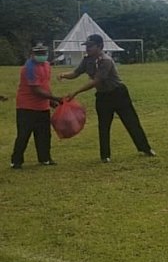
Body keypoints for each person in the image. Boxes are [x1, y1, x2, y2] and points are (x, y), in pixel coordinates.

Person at [57, 33, 155, 163]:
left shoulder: (106, 61)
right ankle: (105, 156)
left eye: (90, 46)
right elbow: (76, 73)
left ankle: (145, 148)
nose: (87, 49)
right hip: (103, 96)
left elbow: (95, 81)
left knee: (131, 122)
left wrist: (75, 92)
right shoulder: (87, 60)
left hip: (118, 94)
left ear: (100, 46)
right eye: (87, 46)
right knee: (103, 126)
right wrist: (64, 75)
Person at [11, 42, 62, 169]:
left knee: (44, 134)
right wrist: (54, 98)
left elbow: (45, 85)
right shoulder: (28, 68)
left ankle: (45, 158)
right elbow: (36, 90)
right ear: (32, 54)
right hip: (26, 107)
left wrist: (50, 101)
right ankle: (16, 161)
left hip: (42, 107)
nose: (42, 56)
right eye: (38, 54)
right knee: (24, 135)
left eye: (44, 53)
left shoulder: (46, 65)